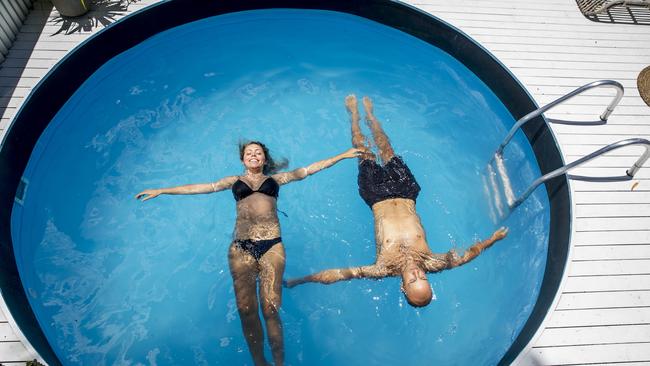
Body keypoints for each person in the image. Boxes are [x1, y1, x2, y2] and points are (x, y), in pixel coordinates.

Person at [136, 141, 362, 366]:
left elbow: (309, 169)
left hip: (271, 246)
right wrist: (162, 190)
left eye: (258, 152)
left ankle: (280, 363)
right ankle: (259, 362)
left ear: (264, 159)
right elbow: (200, 187)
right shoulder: (233, 182)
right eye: (249, 153)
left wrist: (342, 155)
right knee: (246, 310)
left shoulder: (275, 180)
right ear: (243, 159)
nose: (253, 155)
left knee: (271, 308)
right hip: (241, 248)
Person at [285, 96, 508, 307]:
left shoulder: (383, 268)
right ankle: (371, 116)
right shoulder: (432, 262)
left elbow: (341, 274)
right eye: (422, 278)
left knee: (363, 152)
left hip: (376, 196)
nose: (417, 274)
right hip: (406, 192)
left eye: (412, 281)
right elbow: (466, 256)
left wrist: (302, 280)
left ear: (403, 287)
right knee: (387, 149)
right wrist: (493, 239)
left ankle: (353, 115)